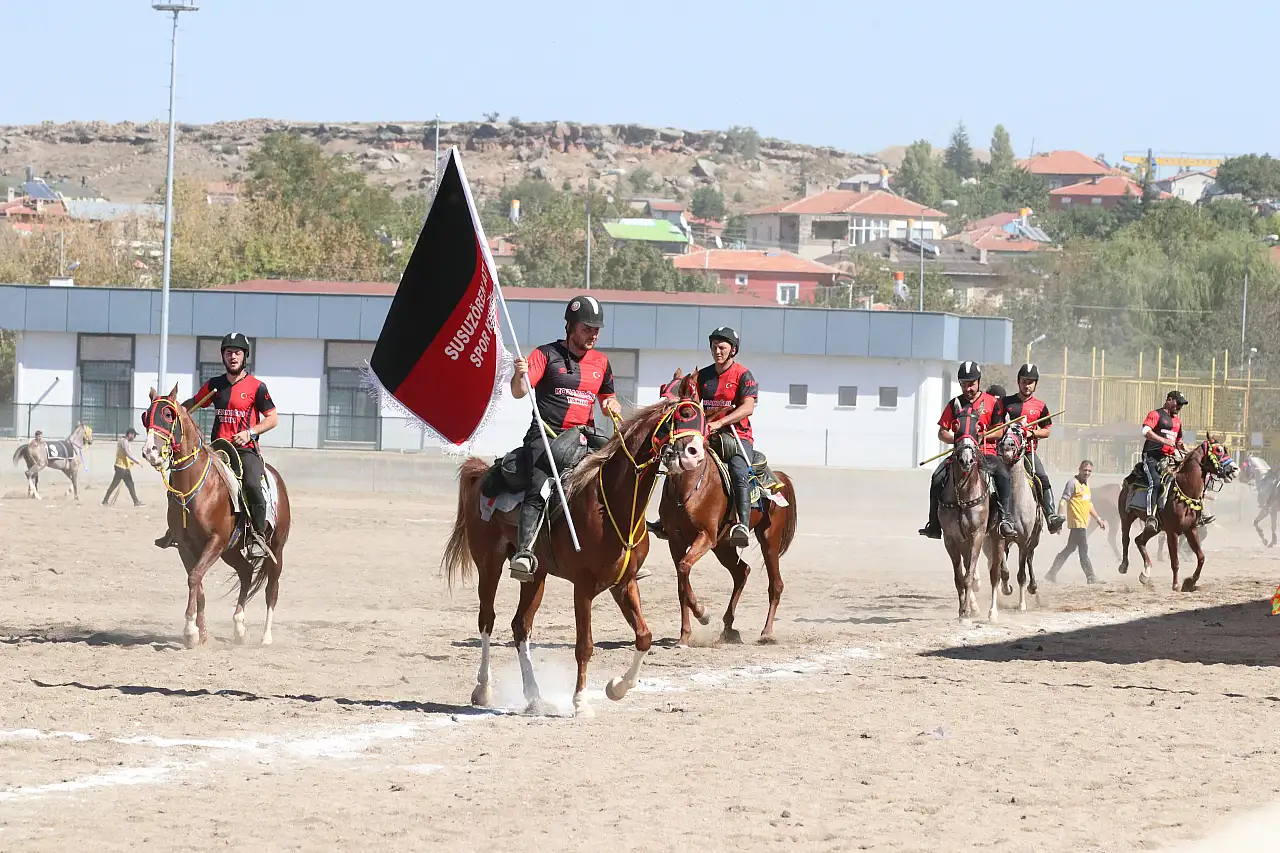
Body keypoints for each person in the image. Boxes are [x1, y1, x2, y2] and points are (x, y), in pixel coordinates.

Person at [507, 295, 650, 583]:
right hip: (547, 434)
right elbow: (519, 392)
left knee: (623, 473)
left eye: (596, 330)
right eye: (587, 329)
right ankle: (524, 552)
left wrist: (611, 405)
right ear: (570, 327)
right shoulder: (545, 354)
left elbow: (607, 398)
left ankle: (627, 552)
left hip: (585, 436)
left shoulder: (601, 362)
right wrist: (518, 374)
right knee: (541, 483)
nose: (592, 335)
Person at [650, 327, 759, 548]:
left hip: (737, 436)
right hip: (708, 435)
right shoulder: (703, 376)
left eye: (722, 347)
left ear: (733, 350)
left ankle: (742, 524)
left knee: (739, 470)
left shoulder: (743, 375)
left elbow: (748, 407)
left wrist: (719, 422)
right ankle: (666, 518)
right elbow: (692, 403)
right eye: (714, 347)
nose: (717, 351)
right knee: (678, 463)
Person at [181, 333, 279, 562]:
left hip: (245, 449)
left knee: (252, 483)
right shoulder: (215, 385)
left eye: (237, 353)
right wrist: (173, 410)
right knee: (183, 476)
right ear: (223, 356)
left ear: (245, 356)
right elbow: (193, 403)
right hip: (217, 449)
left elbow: (273, 418)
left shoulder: (257, 387)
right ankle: (176, 528)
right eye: (228, 353)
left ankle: (258, 536)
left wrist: (250, 432)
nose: (233, 357)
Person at [919, 361, 1015, 540]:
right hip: (960, 453)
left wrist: (980, 436)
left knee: (1003, 476)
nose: (968, 388)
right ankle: (934, 524)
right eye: (964, 384)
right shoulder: (954, 404)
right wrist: (960, 440)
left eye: (971, 384)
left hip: (986, 451)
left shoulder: (992, 402)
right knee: (937, 477)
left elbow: (1000, 431)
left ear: (978, 381)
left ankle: (1006, 520)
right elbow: (942, 432)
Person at [994, 363, 1066, 534]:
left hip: (1027, 452)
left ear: (1035, 384)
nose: (1027, 385)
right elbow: (995, 425)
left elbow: (1047, 431)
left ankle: (1050, 516)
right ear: (1018, 382)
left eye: (1030, 382)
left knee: (1042, 478)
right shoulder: (1005, 403)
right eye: (1024, 381)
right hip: (1003, 452)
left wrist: (1031, 432)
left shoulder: (1040, 406)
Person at [1045, 460, 1106, 584]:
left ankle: (1051, 573)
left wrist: (1098, 519)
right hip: (1077, 523)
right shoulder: (1072, 483)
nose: (1087, 473)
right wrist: (1059, 520)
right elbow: (1063, 501)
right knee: (1083, 551)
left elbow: (1089, 504)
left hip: (1083, 523)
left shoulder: (1087, 485)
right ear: (1079, 469)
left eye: (1089, 471)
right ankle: (1091, 577)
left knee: (1069, 549)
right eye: (1085, 470)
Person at [1140, 390, 1189, 533]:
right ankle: (1150, 517)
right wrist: (1163, 440)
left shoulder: (1177, 422)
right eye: (1178, 403)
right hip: (1152, 457)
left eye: (1182, 405)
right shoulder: (1156, 414)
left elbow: (1179, 443)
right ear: (1169, 400)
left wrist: (1190, 452)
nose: (1180, 407)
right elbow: (1145, 432)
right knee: (1155, 483)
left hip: (1169, 459)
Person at [103, 427, 144, 508]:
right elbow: (127, 453)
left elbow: (126, 455)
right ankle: (105, 500)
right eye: (134, 435)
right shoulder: (124, 441)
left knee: (130, 484)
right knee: (114, 484)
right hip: (120, 467)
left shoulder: (125, 441)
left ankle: (136, 501)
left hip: (124, 467)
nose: (134, 437)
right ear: (130, 434)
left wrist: (131, 462)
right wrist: (137, 461)